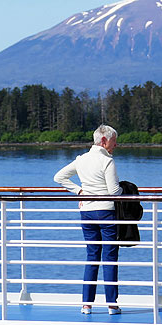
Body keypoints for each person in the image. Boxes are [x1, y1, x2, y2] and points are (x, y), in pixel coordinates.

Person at [53, 124, 123, 315]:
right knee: (109, 257)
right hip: (106, 212)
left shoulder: (81, 159)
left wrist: (80, 191)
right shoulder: (107, 161)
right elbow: (114, 191)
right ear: (103, 140)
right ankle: (112, 304)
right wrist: (127, 190)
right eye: (113, 141)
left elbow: (59, 177)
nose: (115, 145)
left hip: (87, 212)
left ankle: (86, 304)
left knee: (92, 256)